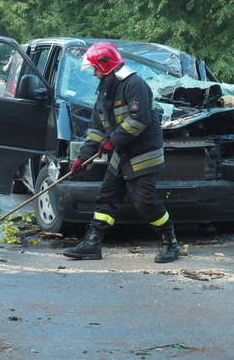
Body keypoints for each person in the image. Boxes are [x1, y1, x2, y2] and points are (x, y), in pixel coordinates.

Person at [62, 42, 179, 263]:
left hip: (143, 154)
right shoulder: (105, 90)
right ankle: (92, 244)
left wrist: (112, 141)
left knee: (145, 200)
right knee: (107, 196)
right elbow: (96, 129)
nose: (94, 74)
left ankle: (170, 241)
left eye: (96, 68)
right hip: (121, 153)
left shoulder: (135, 85)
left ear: (106, 66)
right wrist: (83, 158)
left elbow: (139, 120)